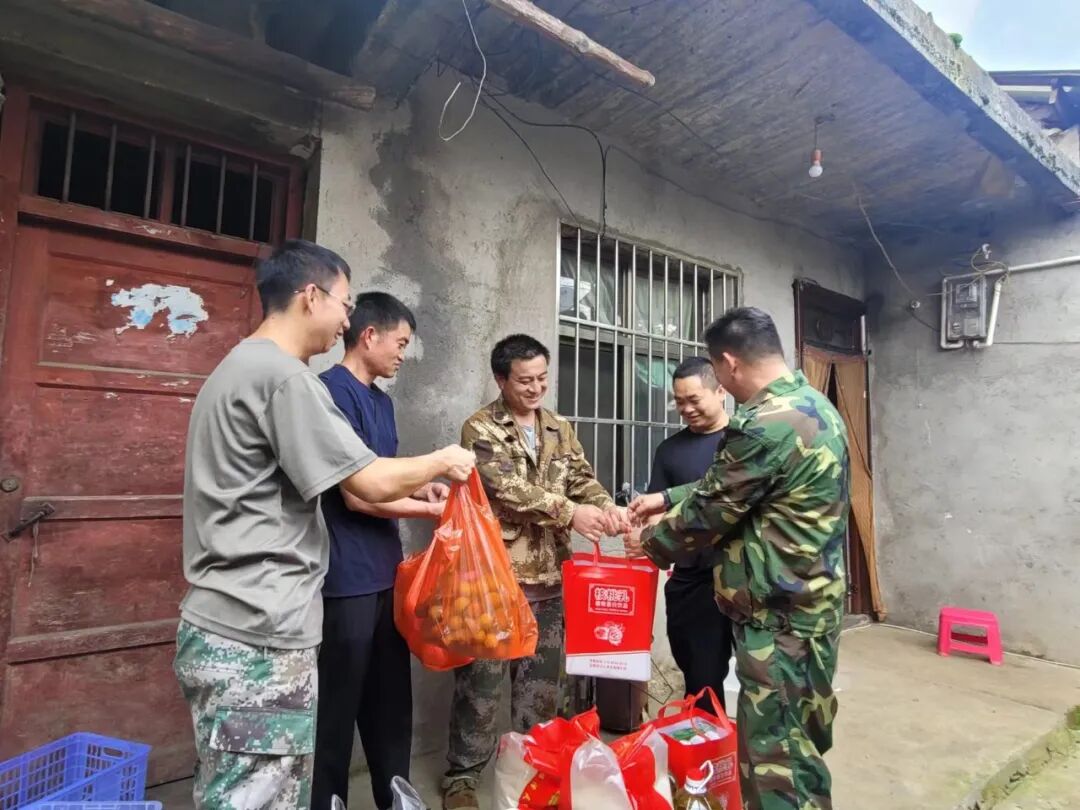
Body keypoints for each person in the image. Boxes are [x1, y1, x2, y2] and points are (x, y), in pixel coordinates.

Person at [174, 240, 475, 810]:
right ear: (311, 296)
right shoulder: (286, 380)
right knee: (258, 793)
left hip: (229, 620)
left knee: (238, 789)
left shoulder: (237, 367)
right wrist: (443, 460)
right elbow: (365, 484)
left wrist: (416, 485)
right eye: (344, 303)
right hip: (258, 630)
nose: (346, 320)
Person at [628, 307, 849, 810]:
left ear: (727, 365)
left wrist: (650, 543)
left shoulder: (763, 423)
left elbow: (711, 509)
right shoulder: (814, 406)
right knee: (800, 749)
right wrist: (665, 498)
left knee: (776, 766)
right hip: (812, 609)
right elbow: (739, 483)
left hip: (779, 621)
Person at [441, 334, 626, 810]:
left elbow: (581, 478)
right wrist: (572, 513)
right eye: (525, 380)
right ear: (501, 379)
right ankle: (463, 778)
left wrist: (605, 507)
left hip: (549, 579)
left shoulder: (558, 428)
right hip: (495, 583)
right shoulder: (480, 428)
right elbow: (507, 490)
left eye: (543, 378)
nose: (536, 388)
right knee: (480, 688)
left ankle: (532, 771)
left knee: (541, 690)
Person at [312, 293, 448, 810]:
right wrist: (430, 510)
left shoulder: (382, 402)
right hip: (344, 577)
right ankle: (327, 800)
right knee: (336, 706)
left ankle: (397, 797)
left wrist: (421, 489)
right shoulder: (329, 393)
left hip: (386, 575)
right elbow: (357, 493)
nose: (402, 355)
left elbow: (383, 476)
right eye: (400, 343)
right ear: (369, 335)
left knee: (390, 701)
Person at [626, 356, 733, 711]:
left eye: (694, 399)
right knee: (701, 680)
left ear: (721, 391)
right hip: (693, 580)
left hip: (745, 576)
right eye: (679, 401)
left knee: (761, 681)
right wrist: (642, 534)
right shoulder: (670, 451)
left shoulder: (743, 444)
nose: (686, 409)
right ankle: (705, 740)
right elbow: (658, 513)